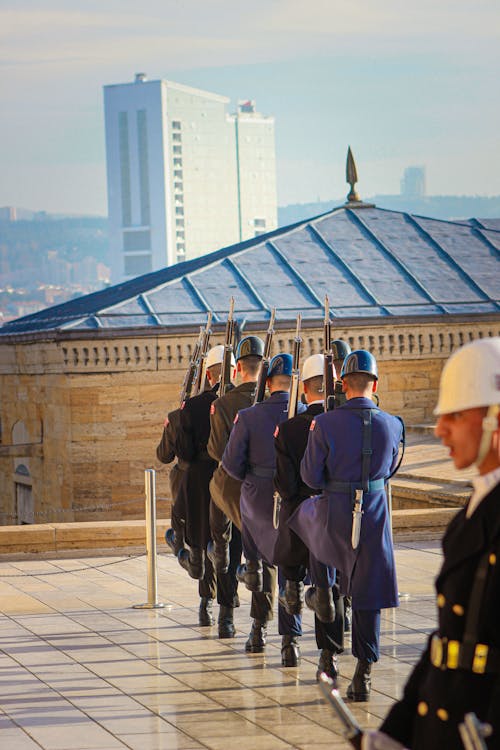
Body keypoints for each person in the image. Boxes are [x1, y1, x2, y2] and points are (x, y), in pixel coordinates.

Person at [364, 337, 500, 750]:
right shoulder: (472, 513)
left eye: (455, 416)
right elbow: (446, 644)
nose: (439, 429)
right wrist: (396, 731)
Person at [289, 350, 404, 700]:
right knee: (368, 592)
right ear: (376, 384)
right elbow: (392, 469)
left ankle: (327, 649)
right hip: (374, 510)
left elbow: (310, 475)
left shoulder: (324, 423)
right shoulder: (394, 424)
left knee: (325, 568)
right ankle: (364, 675)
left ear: (342, 384)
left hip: (335, 509)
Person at [222, 353, 303, 665]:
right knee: (289, 569)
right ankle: (291, 643)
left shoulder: (250, 416)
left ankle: (258, 631)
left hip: (257, 499)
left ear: (267, 383)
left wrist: (255, 480)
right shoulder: (304, 412)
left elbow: (231, 465)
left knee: (261, 567)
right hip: (293, 499)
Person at [274, 353, 345, 681]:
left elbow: (286, 485)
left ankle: (290, 643)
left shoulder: (288, 429)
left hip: (298, 514)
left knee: (289, 571)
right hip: (332, 513)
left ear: (303, 390)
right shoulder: (341, 423)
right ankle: (328, 657)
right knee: (329, 584)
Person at [173, 344, 236, 627]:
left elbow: (183, 453)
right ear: (233, 372)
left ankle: (206, 603)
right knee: (226, 546)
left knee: (205, 538)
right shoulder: (240, 403)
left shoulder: (192, 407)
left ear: (209, 376)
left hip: (199, 479)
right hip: (228, 478)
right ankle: (226, 614)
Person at [207, 335, 264, 638]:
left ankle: (226, 618)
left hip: (230, 486)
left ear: (237, 367)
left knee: (225, 546)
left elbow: (216, 452)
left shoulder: (223, 404)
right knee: (261, 557)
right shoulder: (271, 401)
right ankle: (259, 626)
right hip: (262, 488)